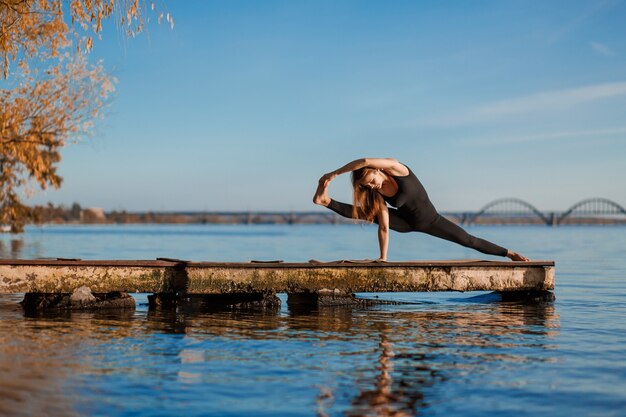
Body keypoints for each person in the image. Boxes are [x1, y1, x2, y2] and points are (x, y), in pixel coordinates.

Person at [312, 158, 530, 262]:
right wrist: (383, 257)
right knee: (369, 215)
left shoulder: (398, 169)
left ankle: (509, 254)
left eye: (372, 180)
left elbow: (366, 159)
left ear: (378, 170)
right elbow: (385, 226)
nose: (372, 186)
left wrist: (334, 173)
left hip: (431, 220)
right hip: (406, 224)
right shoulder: (377, 193)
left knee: (468, 240)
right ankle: (325, 201)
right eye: (367, 186)